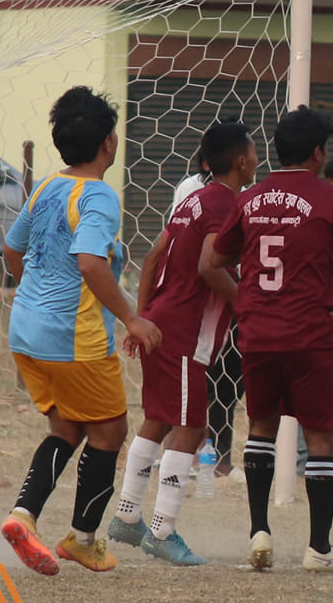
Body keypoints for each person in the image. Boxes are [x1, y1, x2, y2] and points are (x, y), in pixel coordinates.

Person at [0, 88, 162, 577]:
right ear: (109, 142)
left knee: (67, 428)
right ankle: (83, 539)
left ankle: (22, 517)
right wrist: (132, 317)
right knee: (110, 430)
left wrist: (38, 290)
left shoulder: (47, 187)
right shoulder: (99, 196)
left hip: (25, 333)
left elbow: (11, 252)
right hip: (73, 339)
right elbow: (89, 261)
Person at [209, 108, 333, 573]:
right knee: (320, 437)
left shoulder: (249, 199)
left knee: (261, 428)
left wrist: (245, 299)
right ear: (319, 153)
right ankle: (319, 549)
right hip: (308, 332)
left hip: (258, 332)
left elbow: (211, 261)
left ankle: (259, 531)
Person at [107, 121, 258, 566]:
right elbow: (212, 268)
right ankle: (162, 530)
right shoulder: (226, 203)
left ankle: (127, 517)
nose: (256, 159)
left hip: (162, 320)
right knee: (192, 426)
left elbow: (154, 256)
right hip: (186, 332)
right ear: (241, 161)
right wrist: (248, 306)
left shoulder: (192, 199)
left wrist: (142, 316)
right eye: (253, 152)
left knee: (157, 418)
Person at [173, 149, 243, 476]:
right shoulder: (193, 193)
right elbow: (203, 262)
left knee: (225, 385)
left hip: (227, 304)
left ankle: (217, 460)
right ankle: (178, 459)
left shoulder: (243, 197)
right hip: (200, 306)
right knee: (189, 394)